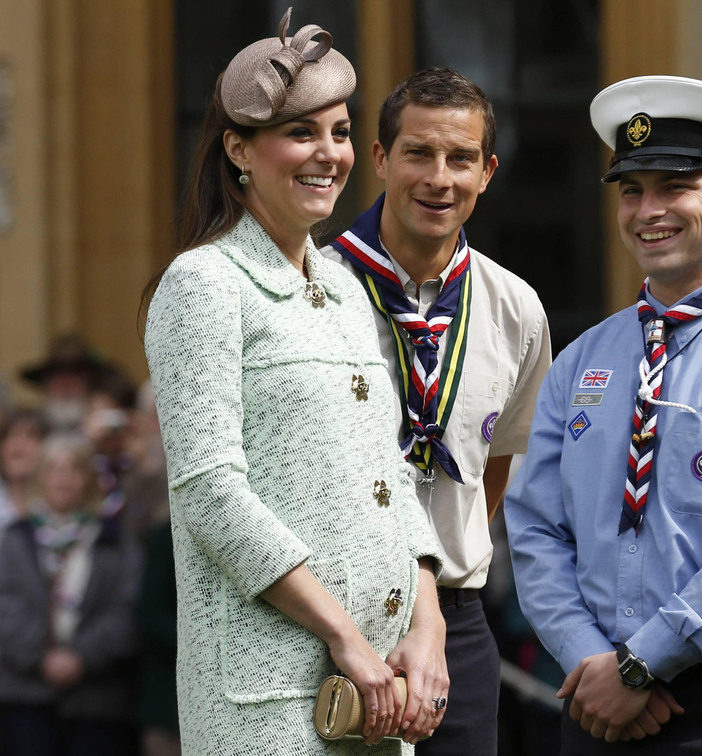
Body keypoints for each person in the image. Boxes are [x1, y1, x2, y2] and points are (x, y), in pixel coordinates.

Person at [143, 9, 445, 754]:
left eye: (340, 132)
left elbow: (393, 473)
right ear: (239, 150)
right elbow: (210, 490)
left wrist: (427, 624)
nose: (329, 154)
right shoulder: (203, 283)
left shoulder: (343, 283)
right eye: (301, 133)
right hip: (272, 697)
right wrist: (343, 636)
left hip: (381, 687)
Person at [506, 75, 702, 753]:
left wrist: (646, 660)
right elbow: (534, 527)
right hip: (592, 700)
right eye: (632, 190)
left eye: (674, 186)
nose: (649, 210)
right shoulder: (586, 357)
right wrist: (590, 659)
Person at [323, 67, 551, 755]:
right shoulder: (315, 290)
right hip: (333, 616)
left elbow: (498, 465)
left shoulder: (516, 308)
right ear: (380, 159)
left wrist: (439, 584)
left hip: (457, 619)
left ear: (487, 172)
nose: (439, 178)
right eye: (419, 153)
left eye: (460, 159)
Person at [0, 432, 141, 756]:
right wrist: (42, 657)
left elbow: (127, 607)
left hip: (97, 699)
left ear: (88, 480)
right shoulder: (14, 537)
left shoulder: (114, 539)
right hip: (25, 696)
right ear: (40, 478)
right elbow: (5, 606)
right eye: (53, 469)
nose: (63, 479)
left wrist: (81, 656)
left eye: (73, 469)